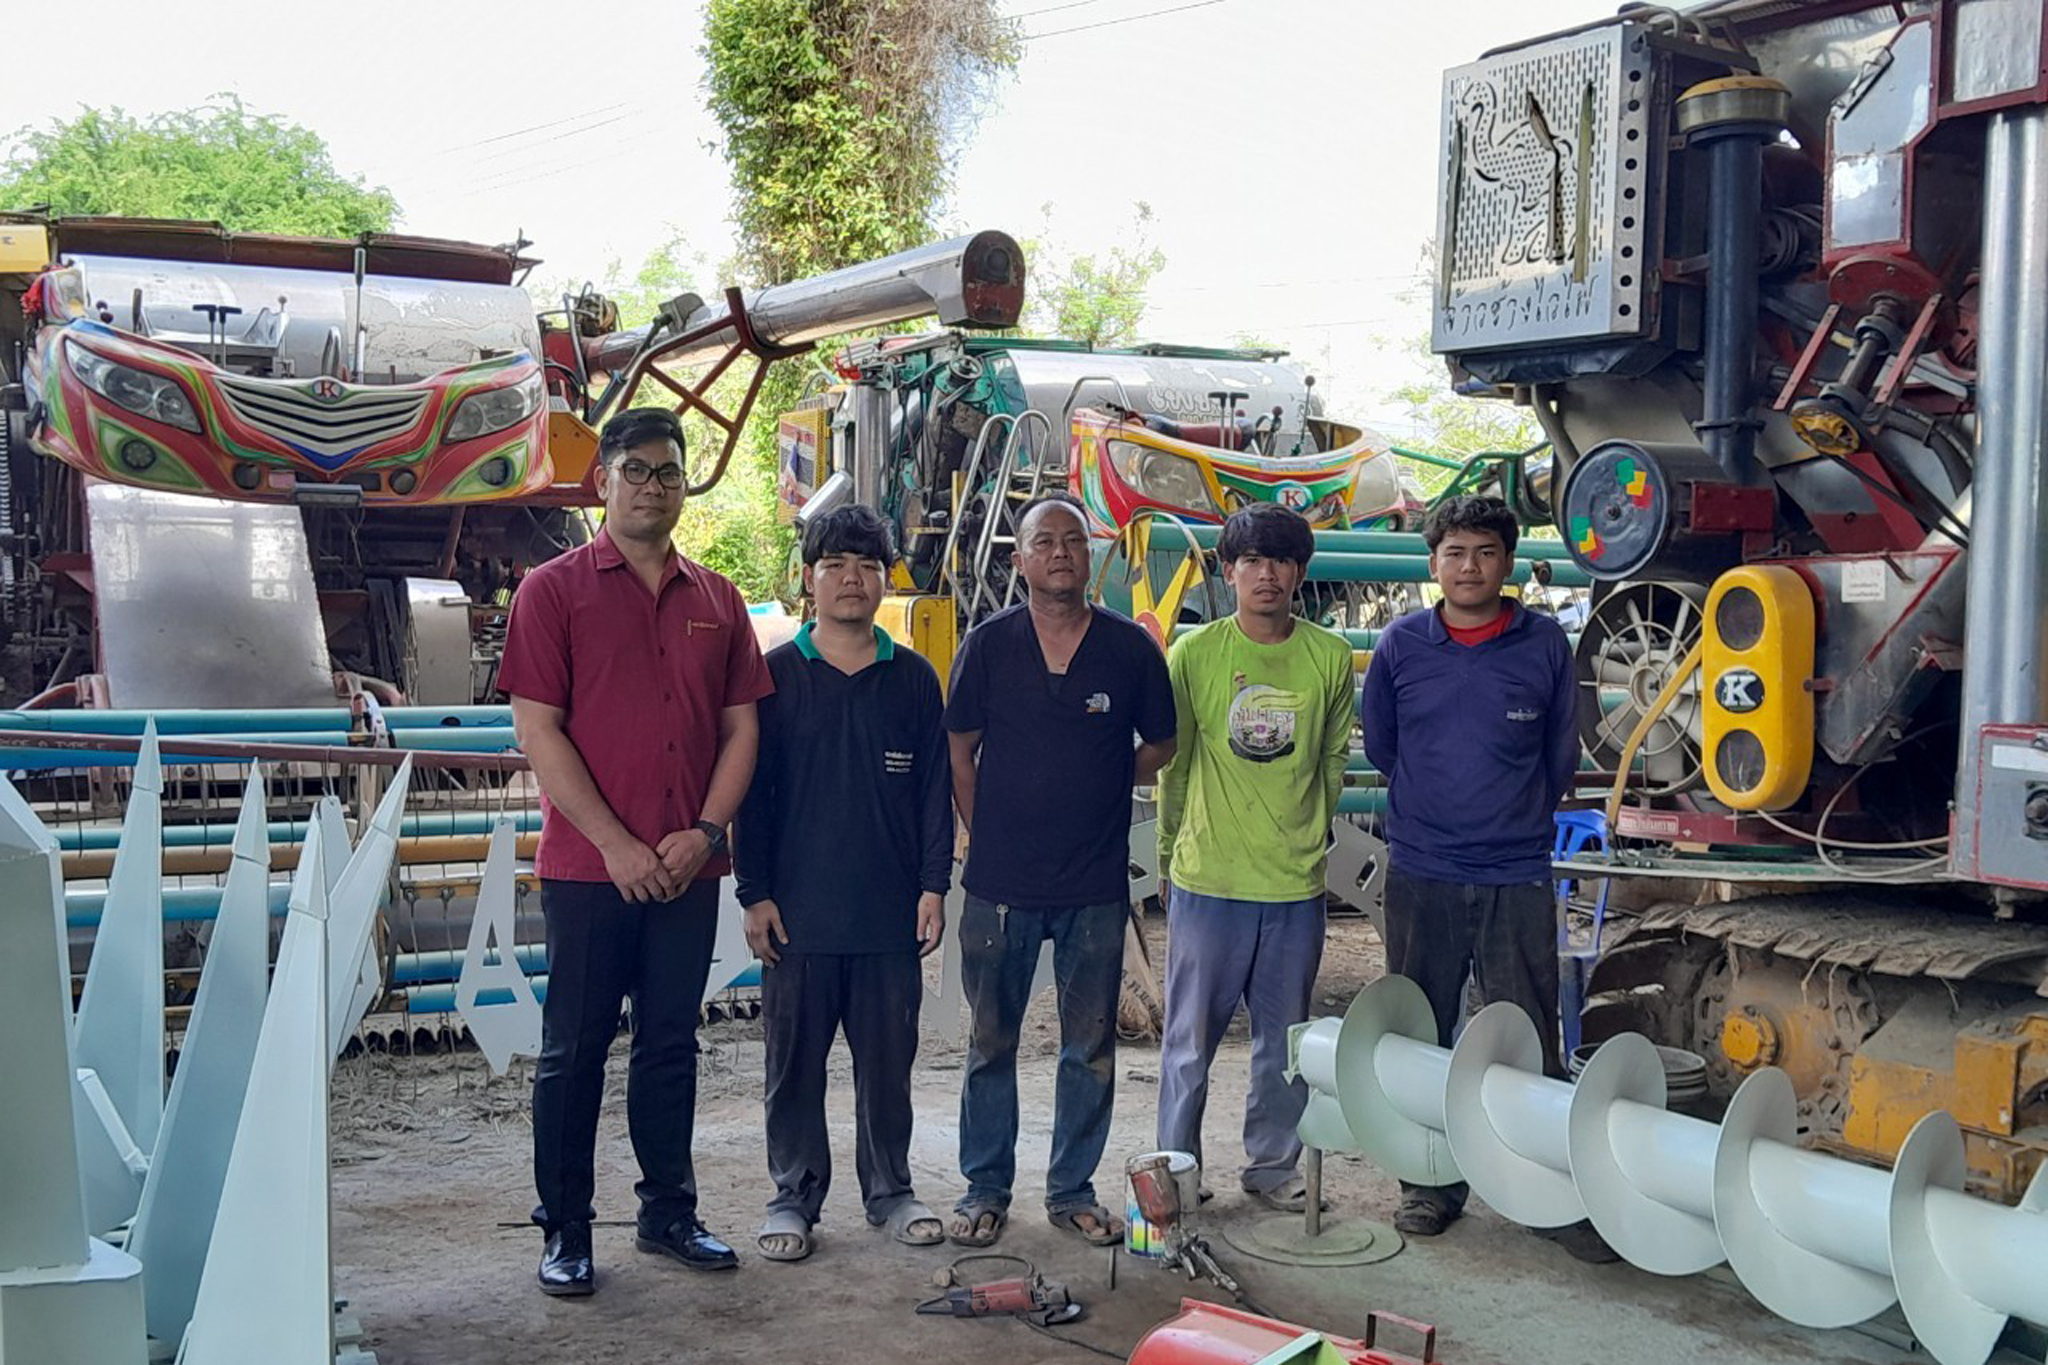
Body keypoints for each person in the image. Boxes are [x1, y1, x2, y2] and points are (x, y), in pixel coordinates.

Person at [500, 407, 773, 1297]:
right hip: (587, 872)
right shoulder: (552, 590)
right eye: (637, 469)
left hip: (687, 871)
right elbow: (539, 731)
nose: (654, 485)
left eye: (669, 471)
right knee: (573, 1049)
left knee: (669, 1045)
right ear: (603, 480)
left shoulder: (719, 599)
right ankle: (566, 1229)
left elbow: (742, 729)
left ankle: (669, 1212)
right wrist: (615, 843)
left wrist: (703, 834)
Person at [1359, 494, 1612, 1261]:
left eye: (1486, 552)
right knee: (1423, 1029)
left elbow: (1560, 759)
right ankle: (1429, 1184)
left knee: (1525, 1032)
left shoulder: (1543, 646)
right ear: (1433, 563)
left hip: (1516, 872)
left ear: (1508, 562)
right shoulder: (1402, 646)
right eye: (1454, 553)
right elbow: (1383, 748)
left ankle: (1534, 1189)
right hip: (1424, 871)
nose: (1469, 567)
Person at [943, 492, 1176, 1248]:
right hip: (999, 890)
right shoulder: (988, 645)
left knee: (1091, 1047)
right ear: (1021, 559)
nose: (1061, 553)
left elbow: (1161, 746)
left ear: (1091, 555)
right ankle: (985, 1186)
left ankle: (1071, 1189)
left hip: (1094, 888)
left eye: (1073, 540)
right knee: (990, 1042)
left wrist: (1107, 777)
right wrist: (985, 831)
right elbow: (960, 750)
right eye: (1044, 542)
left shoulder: (1128, 649)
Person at [734, 504, 952, 1263]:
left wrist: (934, 885)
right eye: (834, 565)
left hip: (889, 918)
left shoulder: (915, 679)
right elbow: (750, 792)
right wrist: (752, 890)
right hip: (797, 918)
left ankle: (891, 1189)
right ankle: (792, 1195)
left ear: (887, 578)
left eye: (866, 564)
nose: (851, 579)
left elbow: (933, 792)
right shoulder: (774, 677)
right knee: (792, 1067)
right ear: (807, 579)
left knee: (887, 1066)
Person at [1154, 503, 1355, 1210]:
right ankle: (1176, 1171)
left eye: (1279, 561)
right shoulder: (1195, 654)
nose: (1264, 574)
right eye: (1250, 561)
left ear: (1299, 573)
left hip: (1294, 887)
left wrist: (1309, 840)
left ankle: (1273, 1168)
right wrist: (1169, 853)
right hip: (1209, 879)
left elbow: (1332, 760)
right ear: (1228, 571)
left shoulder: (1329, 657)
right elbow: (1173, 764)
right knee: (1188, 1046)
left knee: (1285, 1044)